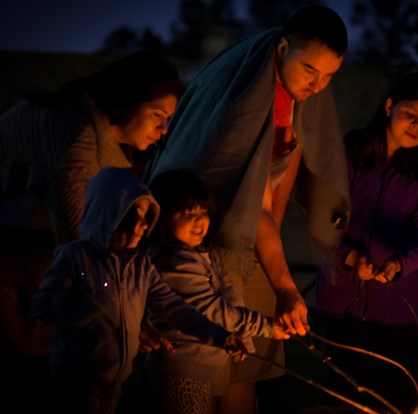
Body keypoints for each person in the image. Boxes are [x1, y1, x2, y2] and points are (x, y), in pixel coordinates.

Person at [142, 6, 350, 412]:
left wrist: (272, 266)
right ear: (284, 47)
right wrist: (287, 286)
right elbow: (249, 201)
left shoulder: (295, 99)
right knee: (205, 376)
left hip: (253, 247)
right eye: (310, 70)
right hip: (206, 254)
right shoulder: (245, 99)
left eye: (329, 76)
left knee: (246, 374)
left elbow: (274, 192)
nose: (318, 85)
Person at [0, 50, 184, 410]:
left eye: (169, 120)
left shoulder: (113, 149)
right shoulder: (72, 132)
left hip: (37, 258)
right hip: (11, 259)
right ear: (127, 100)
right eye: (158, 116)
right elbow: (81, 234)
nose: (164, 131)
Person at [30, 166, 249, 414]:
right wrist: (90, 309)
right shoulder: (75, 258)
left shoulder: (139, 267)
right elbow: (44, 306)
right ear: (113, 214)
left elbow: (175, 308)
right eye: (139, 216)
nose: (146, 225)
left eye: (148, 217)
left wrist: (221, 336)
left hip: (114, 384)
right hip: (78, 381)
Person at [314, 71, 418, 413]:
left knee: (391, 404)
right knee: (342, 402)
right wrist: (348, 257)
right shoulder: (349, 154)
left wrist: (400, 263)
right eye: (411, 116)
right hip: (340, 307)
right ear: (390, 105)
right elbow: (320, 215)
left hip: (398, 315)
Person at [134, 168, 288, 414]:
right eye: (188, 213)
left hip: (199, 365)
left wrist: (243, 339)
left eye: (203, 212)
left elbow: (228, 294)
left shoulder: (205, 253)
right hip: (181, 366)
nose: (199, 221)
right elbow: (212, 309)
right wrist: (267, 327)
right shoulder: (174, 263)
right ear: (162, 217)